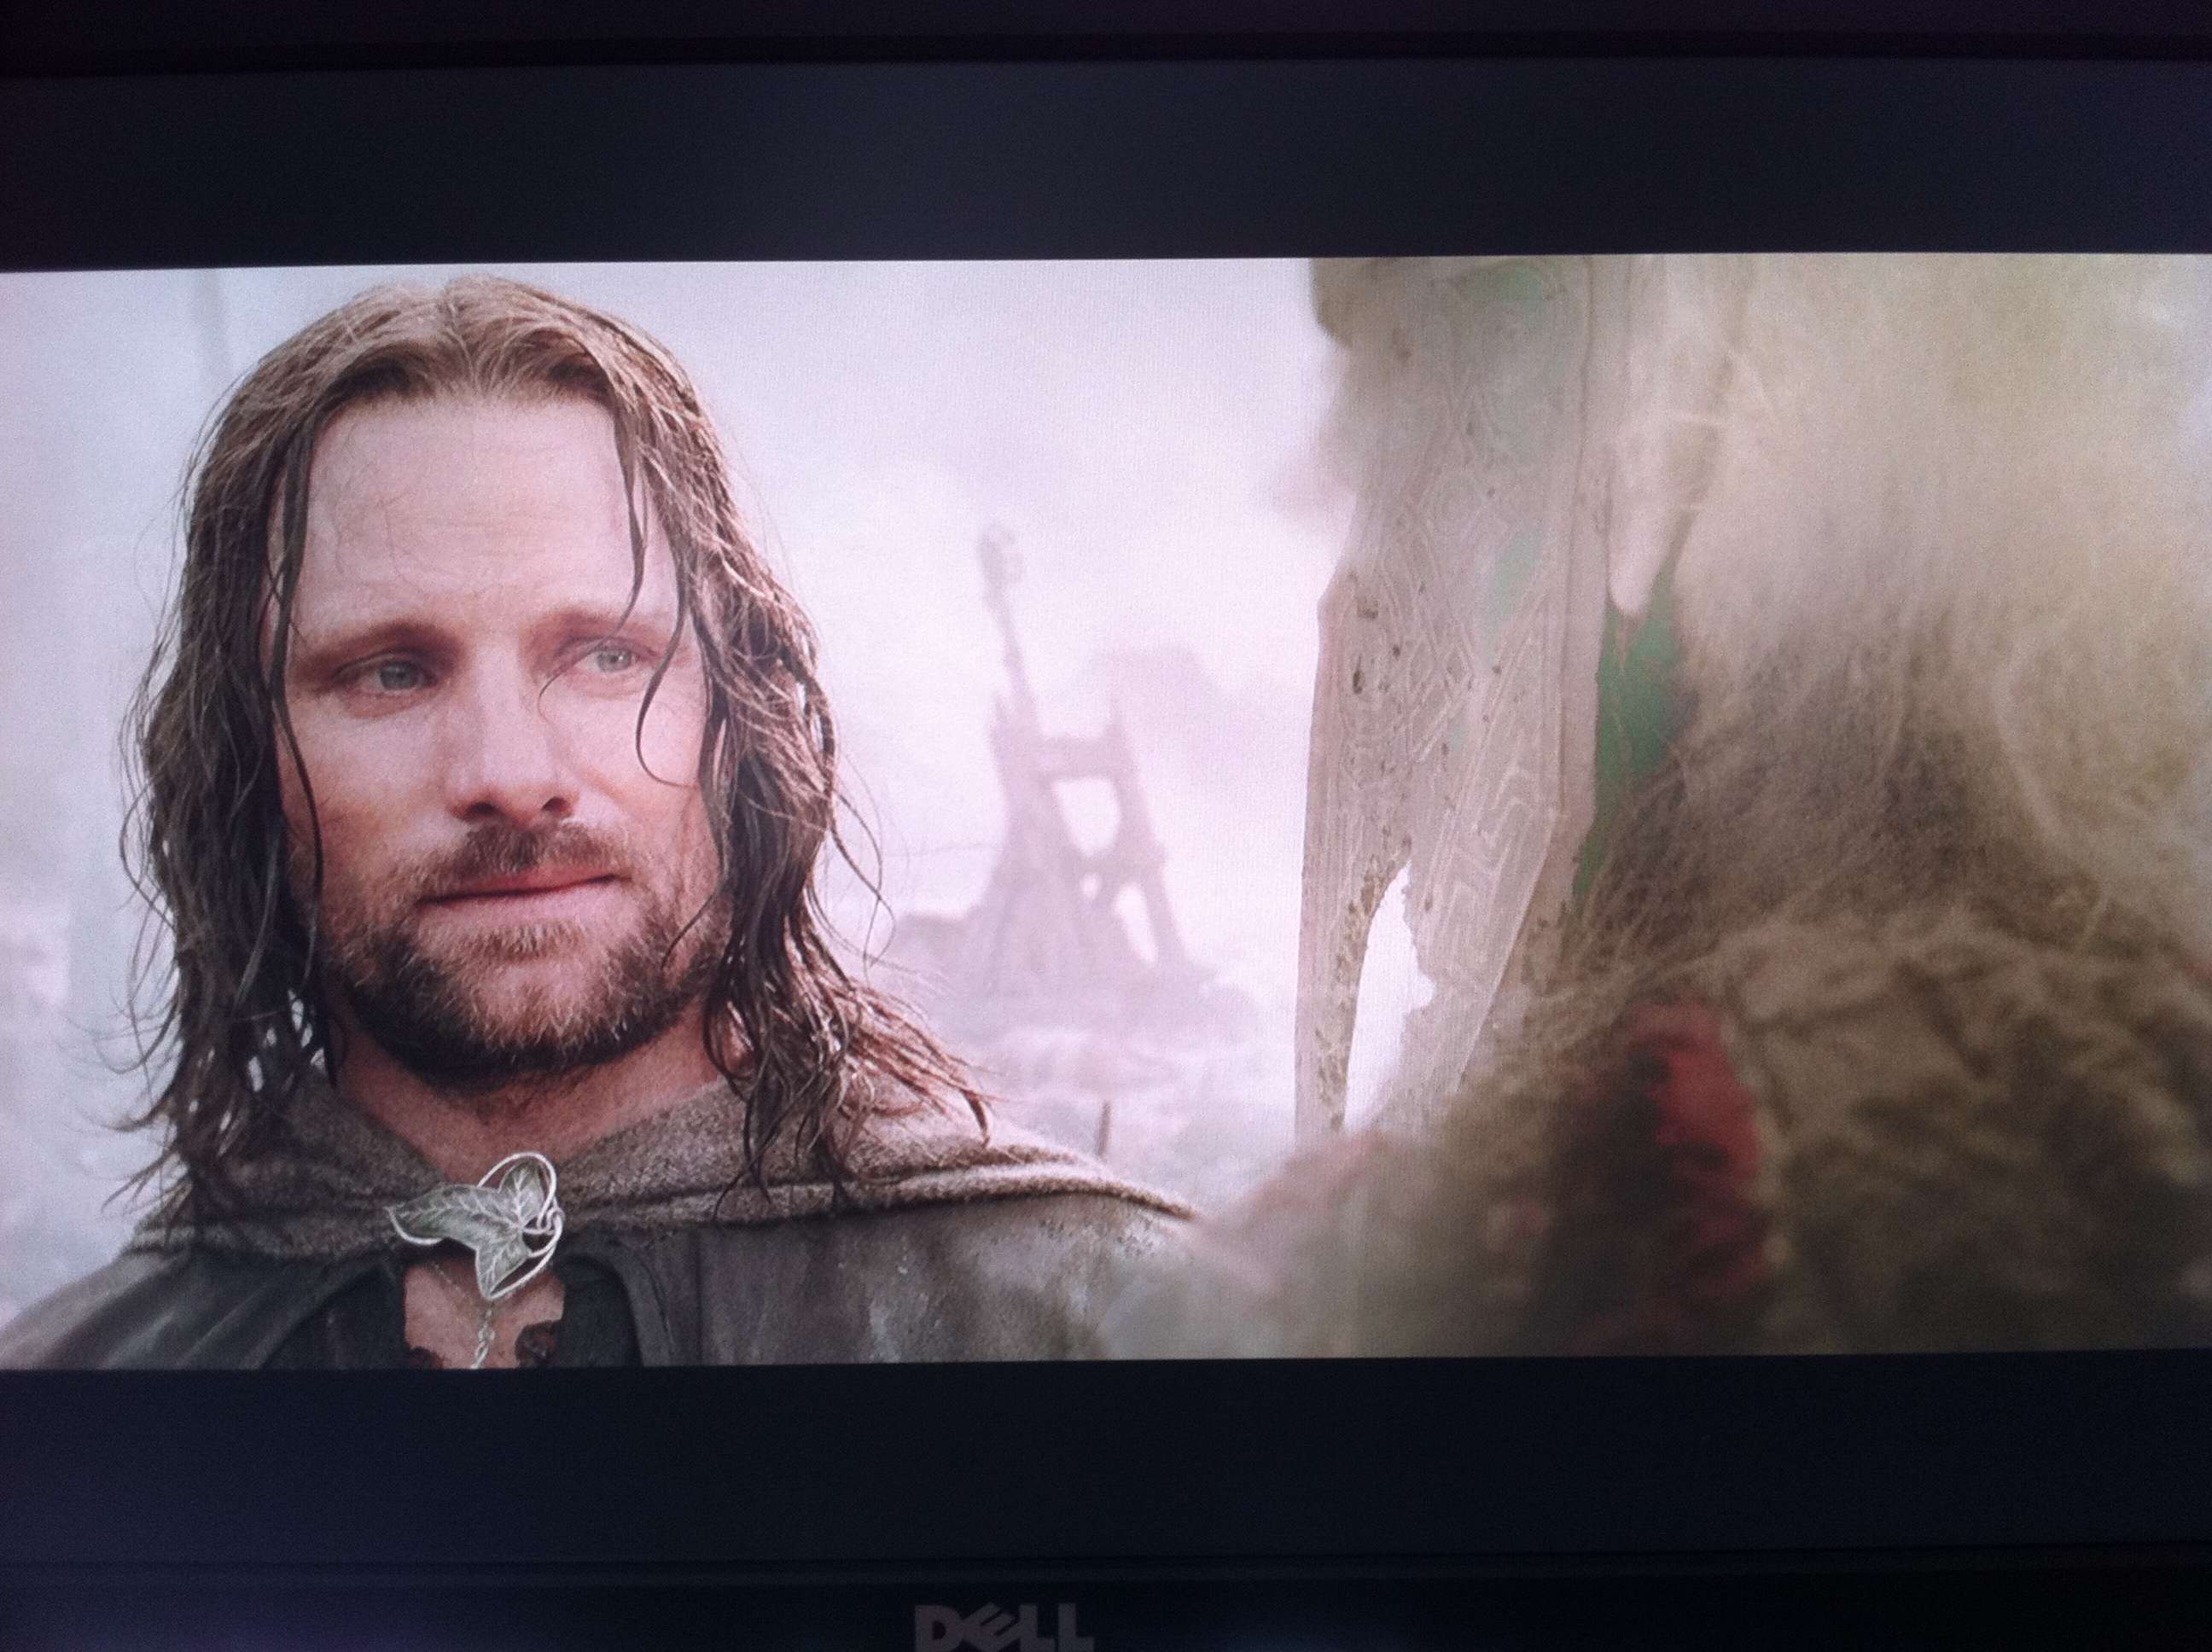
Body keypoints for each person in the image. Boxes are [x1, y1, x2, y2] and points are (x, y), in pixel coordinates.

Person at [0, 276, 1186, 1369]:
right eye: (392, 673)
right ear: (244, 758)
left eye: (608, 655)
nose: (512, 776)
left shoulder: (1109, 1327)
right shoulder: (81, 1384)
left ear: (739, 719)